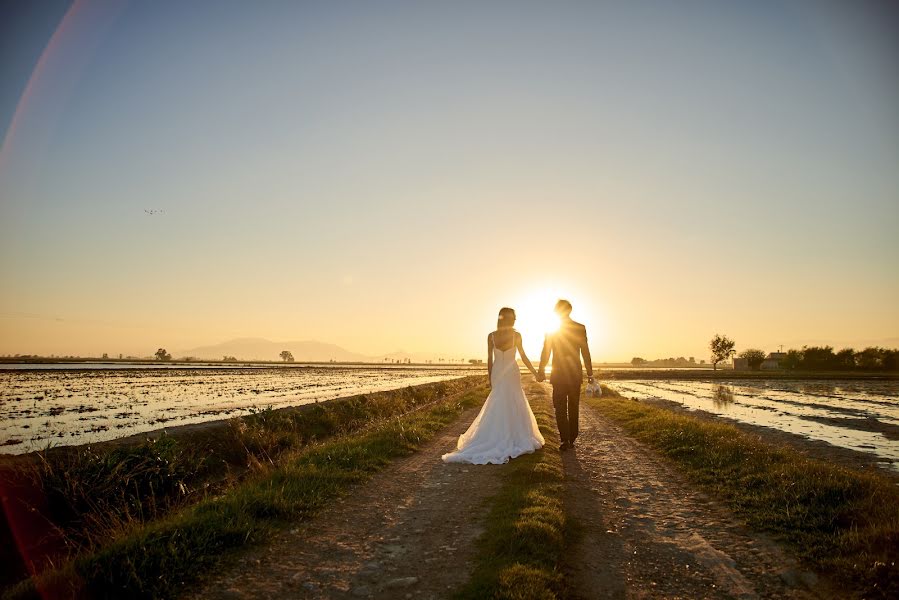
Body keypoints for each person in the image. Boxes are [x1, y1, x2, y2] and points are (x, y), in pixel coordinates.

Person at [442, 307, 545, 464]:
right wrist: (535, 373)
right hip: (511, 372)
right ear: (512, 320)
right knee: (513, 401)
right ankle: (513, 434)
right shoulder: (516, 335)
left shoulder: (491, 336)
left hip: (499, 371)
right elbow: (523, 357)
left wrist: (490, 377)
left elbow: (490, 360)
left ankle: (496, 435)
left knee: (499, 401)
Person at [537, 299, 593, 451]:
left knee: (561, 407)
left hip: (561, 374)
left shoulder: (553, 330)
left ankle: (566, 439)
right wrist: (590, 373)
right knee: (570, 407)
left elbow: (546, 352)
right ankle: (570, 438)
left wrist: (541, 369)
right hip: (572, 374)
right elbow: (585, 352)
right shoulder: (578, 328)